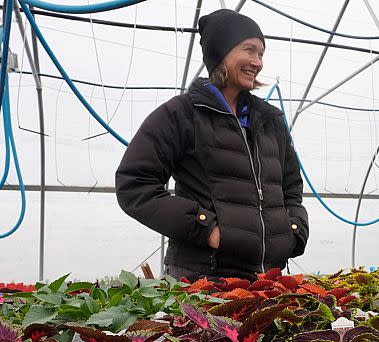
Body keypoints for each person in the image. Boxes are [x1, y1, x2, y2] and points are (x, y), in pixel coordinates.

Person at [115, 9, 308, 281]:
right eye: (249, 50)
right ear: (221, 53)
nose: (257, 62)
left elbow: (290, 188)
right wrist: (206, 229)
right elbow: (134, 182)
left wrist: (294, 232)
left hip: (269, 276)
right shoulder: (182, 114)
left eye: (261, 54)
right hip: (205, 276)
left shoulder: (269, 120)